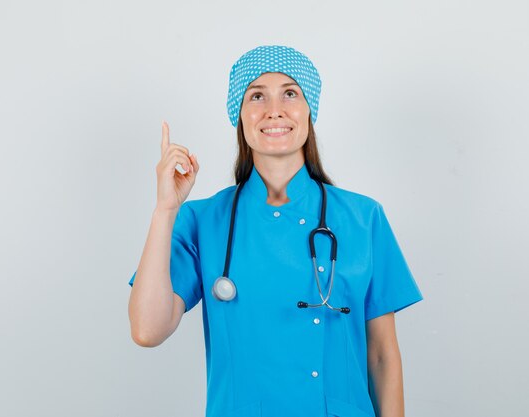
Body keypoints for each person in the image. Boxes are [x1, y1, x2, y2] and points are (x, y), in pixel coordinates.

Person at [128, 45, 422, 417]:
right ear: (239, 114)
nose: (274, 110)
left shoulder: (363, 218)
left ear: (308, 109)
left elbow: (382, 356)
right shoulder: (201, 220)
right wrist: (164, 210)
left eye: (289, 93)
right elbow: (147, 330)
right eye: (256, 96)